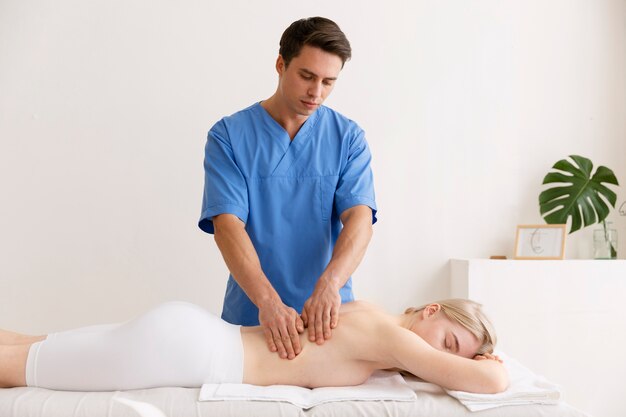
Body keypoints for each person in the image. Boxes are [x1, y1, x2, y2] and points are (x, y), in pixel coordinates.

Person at [198, 16, 377, 360]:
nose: (316, 92)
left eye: (329, 82)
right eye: (307, 76)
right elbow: (227, 226)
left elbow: (360, 218)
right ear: (281, 64)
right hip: (253, 317)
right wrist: (268, 302)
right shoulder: (229, 136)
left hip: (329, 319)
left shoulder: (348, 138)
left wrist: (329, 285)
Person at [0, 299, 508, 394]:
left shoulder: (373, 311)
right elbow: (490, 382)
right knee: (18, 366)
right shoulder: (393, 338)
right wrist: (487, 363)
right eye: (448, 344)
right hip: (187, 352)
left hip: (189, 335)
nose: (441, 358)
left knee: (28, 345)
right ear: (432, 311)